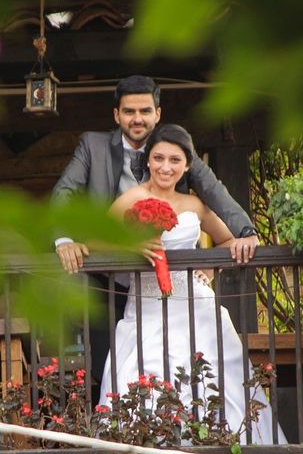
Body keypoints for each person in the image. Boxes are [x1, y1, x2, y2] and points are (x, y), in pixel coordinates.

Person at [52, 75, 259, 393]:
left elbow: (214, 192)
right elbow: (65, 191)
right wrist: (65, 239)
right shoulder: (92, 146)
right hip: (109, 282)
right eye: (130, 111)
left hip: (176, 289)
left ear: (157, 114)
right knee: (112, 370)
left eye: (145, 111)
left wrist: (245, 231)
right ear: (117, 114)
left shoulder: (175, 147)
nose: (138, 119)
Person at [95, 124, 286, 444]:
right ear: (148, 160)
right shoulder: (131, 199)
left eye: (174, 159)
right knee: (144, 377)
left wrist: (209, 270)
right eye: (158, 158)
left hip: (195, 305)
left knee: (212, 380)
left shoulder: (196, 204)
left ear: (186, 165)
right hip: (147, 307)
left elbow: (226, 239)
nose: (165, 166)